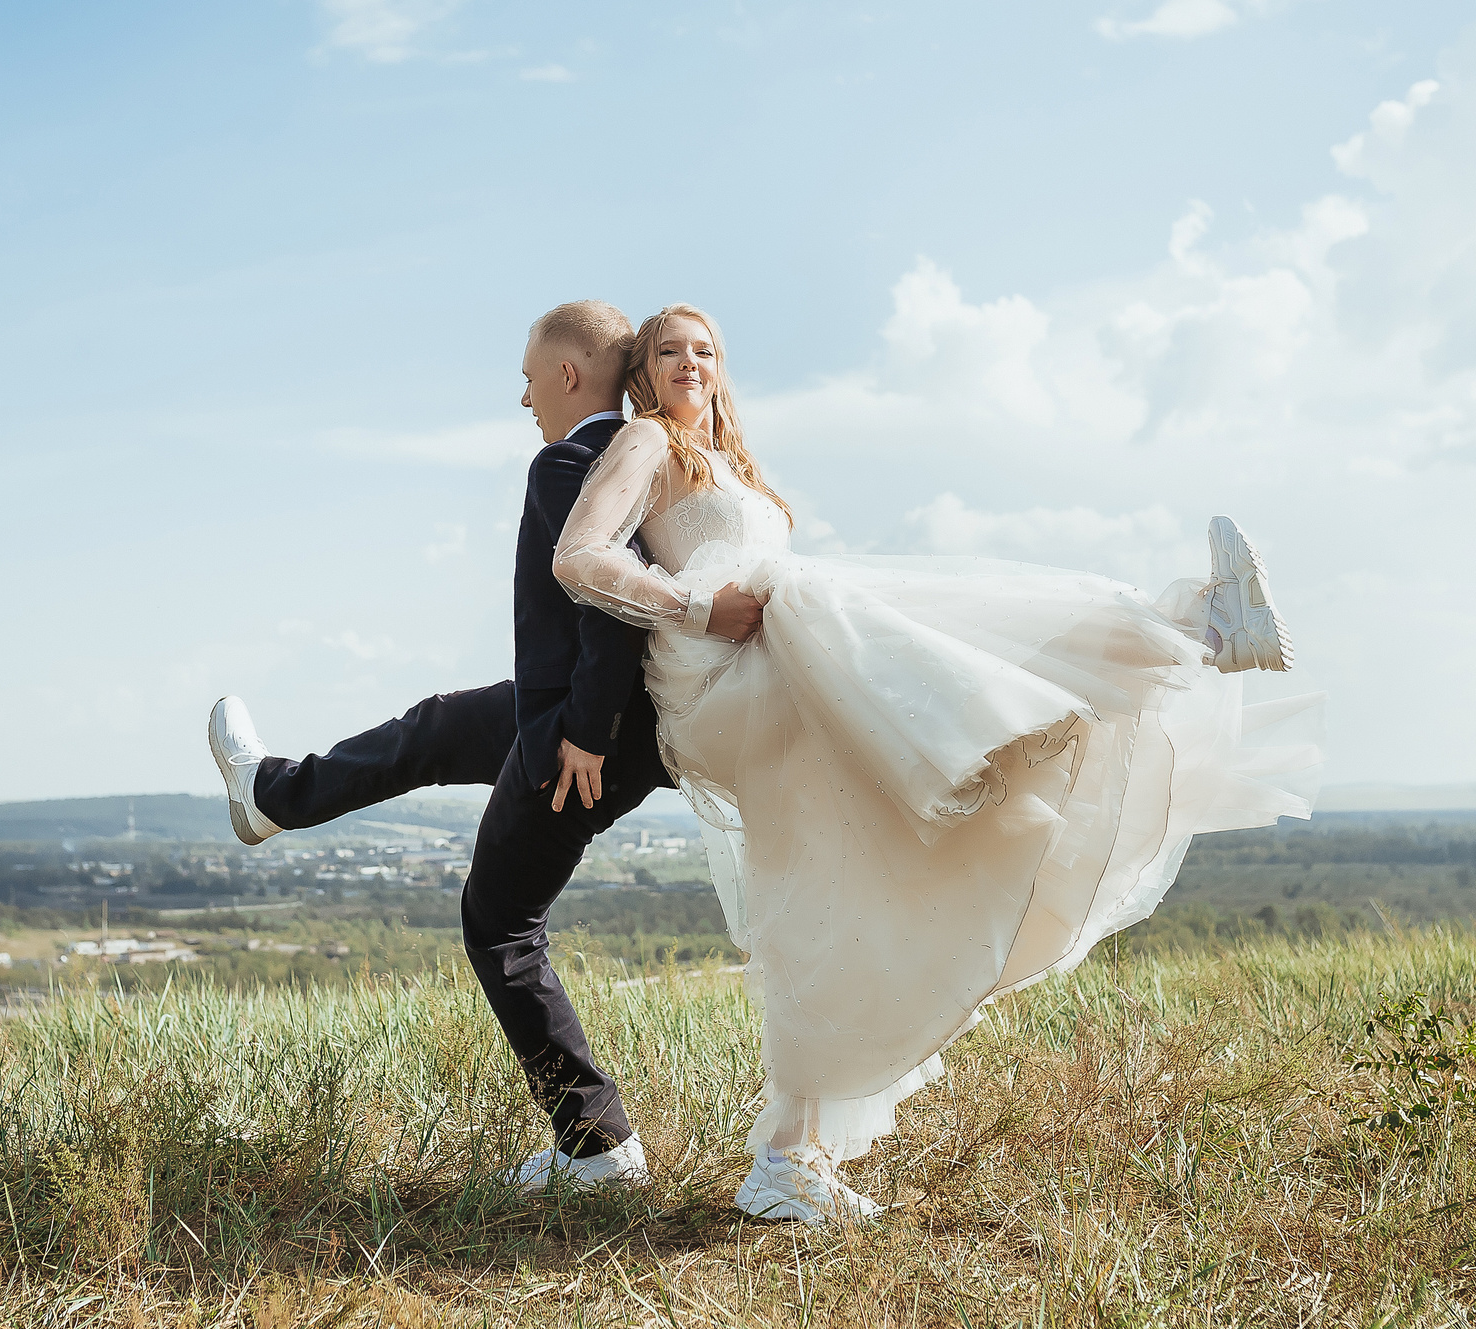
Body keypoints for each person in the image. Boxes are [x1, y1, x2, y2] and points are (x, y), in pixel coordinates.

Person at [553, 304, 1325, 1224]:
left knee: (839, 885)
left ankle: (793, 1155)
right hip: (729, 672)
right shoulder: (646, 443)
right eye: (669, 350)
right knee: (858, 602)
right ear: (643, 372)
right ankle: (1188, 624)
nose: (690, 361)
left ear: (724, 367)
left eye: (706, 348)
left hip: (782, 658)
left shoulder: (733, 466)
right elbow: (578, 556)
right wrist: (693, 607)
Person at [205, 300, 764, 1188]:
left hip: (593, 726)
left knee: (499, 923)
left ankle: (596, 1144)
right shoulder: (655, 452)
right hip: (569, 704)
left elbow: (611, 602)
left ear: (569, 376)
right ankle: (272, 795)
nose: (523, 397)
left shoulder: (580, 458)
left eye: (528, 378)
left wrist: (583, 732)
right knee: (433, 729)